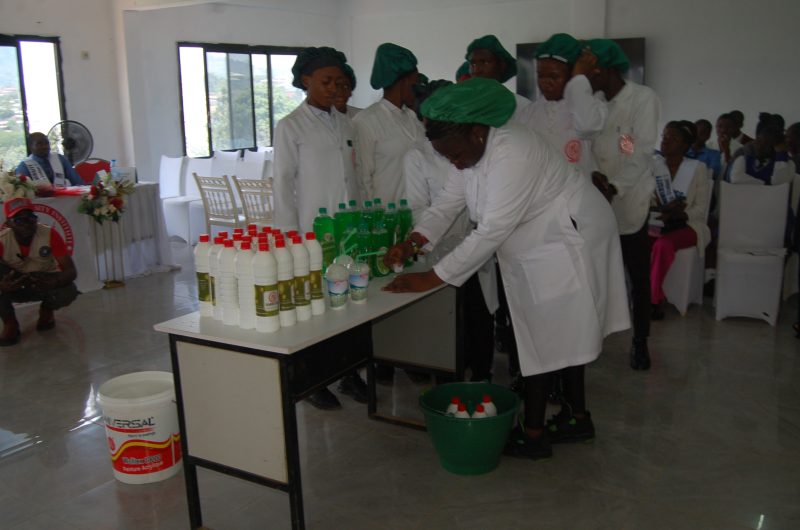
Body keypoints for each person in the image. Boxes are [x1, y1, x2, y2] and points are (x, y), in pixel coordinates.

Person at [383, 78, 630, 459]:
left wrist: (432, 278)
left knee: (545, 335)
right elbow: (448, 203)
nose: (455, 163)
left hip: (568, 237)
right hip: (541, 239)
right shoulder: (469, 149)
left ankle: (534, 434)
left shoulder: (513, 152)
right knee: (558, 333)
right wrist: (414, 241)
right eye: (448, 158)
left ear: (477, 132)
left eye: (456, 155)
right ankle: (576, 418)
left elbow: (491, 230)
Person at [272, 47, 366, 409]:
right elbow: (282, 183)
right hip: (312, 232)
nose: (334, 89)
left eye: (339, 83)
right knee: (317, 307)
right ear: (306, 80)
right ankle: (313, 380)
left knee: (351, 301)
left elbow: (354, 175)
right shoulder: (291, 126)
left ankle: (349, 373)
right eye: (326, 81)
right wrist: (290, 237)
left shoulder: (345, 122)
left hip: (349, 228)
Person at [403, 79, 498, 382]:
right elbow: (425, 208)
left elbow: (486, 210)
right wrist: (418, 242)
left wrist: (469, 241)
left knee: (479, 318)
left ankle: (481, 379)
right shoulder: (417, 156)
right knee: (447, 326)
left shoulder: (478, 147)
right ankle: (449, 385)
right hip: (440, 253)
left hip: (478, 247)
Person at [588, 38, 661, 371]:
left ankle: (640, 341)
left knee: (637, 276)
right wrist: (594, 178)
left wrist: (614, 186)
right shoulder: (594, 103)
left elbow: (639, 152)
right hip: (596, 199)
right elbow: (585, 146)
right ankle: (592, 338)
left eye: (590, 71)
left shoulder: (642, 99)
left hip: (629, 200)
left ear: (606, 70)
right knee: (595, 274)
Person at [519, 32, 607, 179]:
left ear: (572, 75)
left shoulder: (593, 107)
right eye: (540, 75)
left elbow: (587, 127)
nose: (545, 83)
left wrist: (579, 78)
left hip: (577, 190)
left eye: (554, 76)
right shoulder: (528, 113)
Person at [649, 121, 711, 320]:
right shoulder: (655, 165)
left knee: (663, 245)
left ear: (685, 145)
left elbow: (700, 209)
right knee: (636, 241)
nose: (665, 141)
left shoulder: (697, 168)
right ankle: (643, 294)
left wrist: (678, 214)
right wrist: (659, 206)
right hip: (658, 221)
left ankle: (654, 299)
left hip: (688, 225)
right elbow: (647, 198)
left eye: (673, 138)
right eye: (664, 136)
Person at [0, 197, 78, 346]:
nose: (26, 224)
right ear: (9, 223)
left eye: (31, 218)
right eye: (19, 220)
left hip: (43, 281)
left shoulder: (50, 234)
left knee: (69, 290)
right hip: (15, 284)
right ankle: (10, 323)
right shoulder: (1, 241)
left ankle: (47, 311)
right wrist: (2, 286)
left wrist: (55, 281)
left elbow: (71, 271)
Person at [353, 43, 424, 204]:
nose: (418, 89)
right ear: (403, 82)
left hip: (418, 212)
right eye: (415, 83)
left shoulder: (413, 119)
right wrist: (372, 214)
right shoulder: (366, 121)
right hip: (386, 213)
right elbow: (362, 179)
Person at [465, 34, 531, 123]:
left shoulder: (522, 107)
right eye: (473, 64)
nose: (476, 70)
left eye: (485, 62)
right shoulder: (461, 106)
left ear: (502, 66)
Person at [727, 112, 794, 186]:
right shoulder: (743, 155)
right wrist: (766, 184)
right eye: (759, 141)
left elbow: (780, 183)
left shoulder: (786, 162)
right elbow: (734, 178)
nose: (761, 146)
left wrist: (781, 155)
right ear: (757, 138)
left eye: (768, 144)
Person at [15, 132, 83, 187]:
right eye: (39, 144)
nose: (44, 146)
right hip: (39, 199)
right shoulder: (24, 166)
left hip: (63, 197)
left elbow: (77, 181)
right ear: (30, 147)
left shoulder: (60, 159)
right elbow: (23, 188)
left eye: (47, 143)